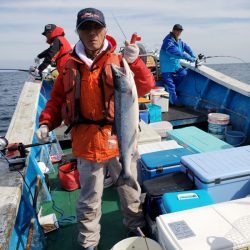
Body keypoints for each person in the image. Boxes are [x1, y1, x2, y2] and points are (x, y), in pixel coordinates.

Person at [36, 7, 155, 250]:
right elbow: (57, 100)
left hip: (119, 139)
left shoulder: (119, 61)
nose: (92, 34)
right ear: (78, 33)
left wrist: (137, 64)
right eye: (86, 28)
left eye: (96, 28)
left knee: (130, 191)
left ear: (105, 31)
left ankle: (136, 228)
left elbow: (144, 87)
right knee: (88, 201)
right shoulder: (68, 65)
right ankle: (88, 243)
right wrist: (46, 121)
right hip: (86, 144)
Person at [160, 24, 196, 105]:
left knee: (183, 73)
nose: (178, 32)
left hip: (175, 65)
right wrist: (188, 58)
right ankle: (175, 102)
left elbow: (186, 47)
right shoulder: (168, 41)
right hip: (166, 66)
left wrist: (192, 54)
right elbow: (176, 53)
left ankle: (172, 90)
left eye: (180, 30)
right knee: (170, 85)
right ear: (173, 30)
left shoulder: (179, 41)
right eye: (177, 30)